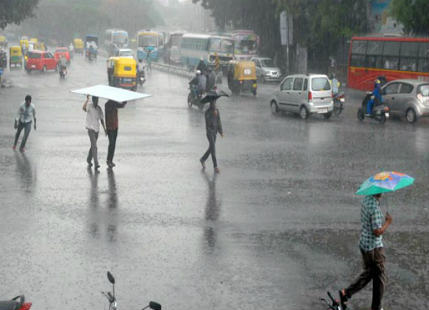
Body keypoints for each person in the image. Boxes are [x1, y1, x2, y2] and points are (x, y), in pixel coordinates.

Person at [339, 193, 392, 310]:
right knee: (380, 276)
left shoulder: (367, 200)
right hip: (374, 248)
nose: (383, 192)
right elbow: (377, 231)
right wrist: (388, 222)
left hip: (364, 244)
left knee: (370, 273)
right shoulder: (375, 208)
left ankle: (346, 293)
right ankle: (376, 307)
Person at [83, 96, 106, 170]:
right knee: (95, 146)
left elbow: (102, 120)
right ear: (93, 100)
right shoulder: (90, 106)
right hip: (90, 128)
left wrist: (105, 129)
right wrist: (87, 100)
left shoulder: (99, 109)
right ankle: (96, 163)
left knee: (93, 146)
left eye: (97, 99)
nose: (96, 101)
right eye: (95, 99)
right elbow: (83, 108)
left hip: (96, 129)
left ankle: (89, 159)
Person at [200, 100, 223, 173]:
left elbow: (219, 121)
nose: (214, 105)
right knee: (213, 149)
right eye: (213, 104)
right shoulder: (207, 112)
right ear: (211, 104)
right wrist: (213, 114)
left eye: (215, 103)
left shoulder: (217, 111)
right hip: (209, 132)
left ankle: (202, 159)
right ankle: (215, 166)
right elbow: (208, 122)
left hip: (215, 133)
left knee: (211, 148)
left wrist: (221, 131)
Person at [105, 100, 127, 168]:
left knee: (113, 144)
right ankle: (109, 160)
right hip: (110, 127)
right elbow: (106, 115)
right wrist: (106, 128)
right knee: (111, 143)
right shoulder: (107, 104)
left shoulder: (114, 103)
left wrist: (125, 99)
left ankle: (110, 160)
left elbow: (122, 105)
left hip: (115, 126)